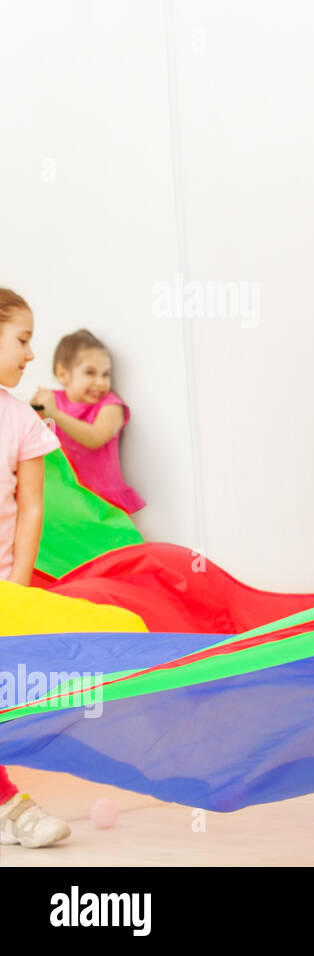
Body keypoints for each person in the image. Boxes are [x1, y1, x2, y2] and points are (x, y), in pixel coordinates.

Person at [0, 288, 73, 848]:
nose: (31, 354)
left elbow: (32, 506)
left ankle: (11, 808)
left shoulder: (21, 420)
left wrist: (19, 585)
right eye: (22, 339)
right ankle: (13, 808)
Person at [28, 329, 145, 514]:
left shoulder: (111, 406)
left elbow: (95, 438)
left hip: (103, 502)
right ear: (63, 375)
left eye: (106, 374)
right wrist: (35, 409)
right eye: (90, 373)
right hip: (66, 499)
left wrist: (55, 414)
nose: (100, 382)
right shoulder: (52, 402)